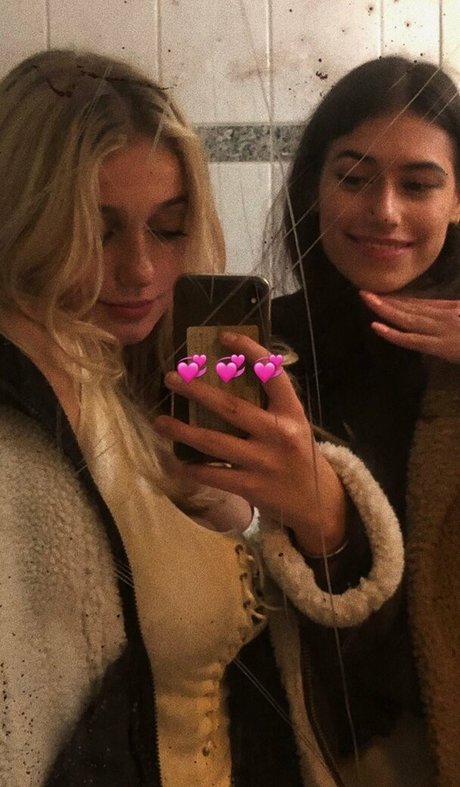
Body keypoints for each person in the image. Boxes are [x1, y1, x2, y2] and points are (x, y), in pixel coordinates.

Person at [0, 49, 403, 787]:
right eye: (96, 229)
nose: (140, 270)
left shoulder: (157, 372)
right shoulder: (29, 407)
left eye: (169, 227)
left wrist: (312, 516)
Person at [269, 55, 460, 786]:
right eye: (352, 178)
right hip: (319, 744)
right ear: (313, 188)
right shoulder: (267, 347)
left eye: (419, 184)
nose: (383, 211)